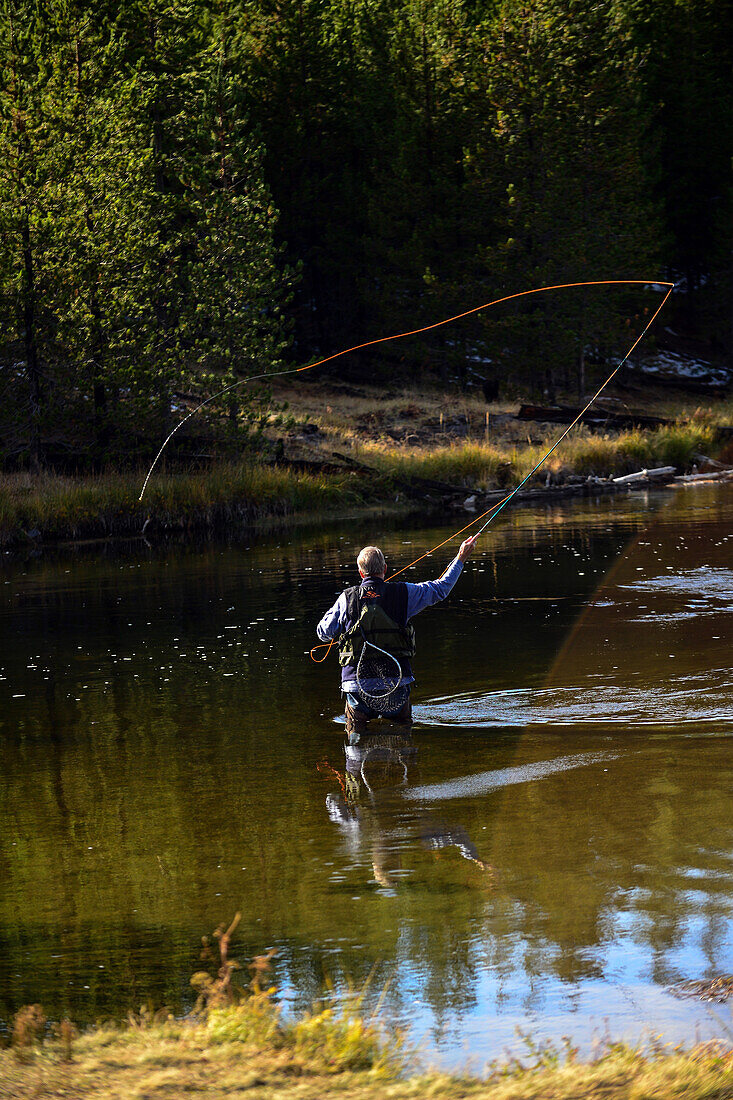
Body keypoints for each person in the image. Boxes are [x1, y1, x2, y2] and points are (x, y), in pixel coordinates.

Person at [316, 537, 477, 737]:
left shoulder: (346, 598)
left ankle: (357, 762)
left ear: (360, 573)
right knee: (402, 741)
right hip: (396, 684)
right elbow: (440, 589)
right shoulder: (404, 593)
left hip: (356, 688)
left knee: (355, 748)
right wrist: (460, 558)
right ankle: (403, 758)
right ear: (385, 568)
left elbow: (323, 633)